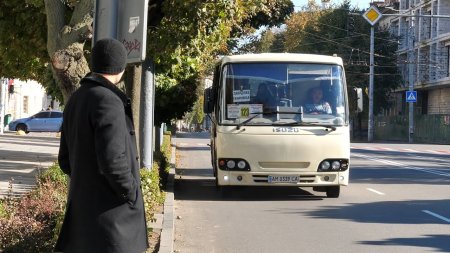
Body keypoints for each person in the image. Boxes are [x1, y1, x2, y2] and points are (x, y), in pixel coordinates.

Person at [55, 38, 148, 253]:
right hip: (113, 223)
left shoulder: (76, 99)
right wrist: (131, 193)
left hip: (82, 220)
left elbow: (64, 160)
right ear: (120, 67)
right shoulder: (108, 100)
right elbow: (114, 161)